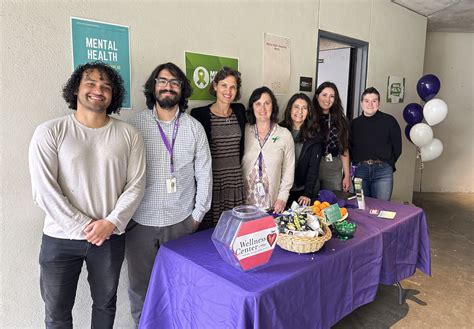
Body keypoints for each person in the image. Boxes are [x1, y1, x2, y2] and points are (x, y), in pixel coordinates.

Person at [28, 61, 146, 329]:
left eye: (106, 86)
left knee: (105, 305)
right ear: (76, 90)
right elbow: (44, 191)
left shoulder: (129, 134)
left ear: (113, 94)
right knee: (57, 313)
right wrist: (87, 227)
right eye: (90, 83)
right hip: (60, 239)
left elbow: (136, 185)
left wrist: (111, 223)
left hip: (110, 237)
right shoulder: (50, 132)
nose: (98, 90)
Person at [126, 62, 212, 325]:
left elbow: (205, 172)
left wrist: (197, 215)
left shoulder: (193, 128)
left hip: (180, 223)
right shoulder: (134, 126)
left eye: (174, 83)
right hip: (140, 223)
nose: (168, 86)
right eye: (162, 81)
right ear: (154, 87)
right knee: (141, 289)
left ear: (182, 90)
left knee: (181, 287)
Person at [191, 67, 246, 228]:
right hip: (212, 183)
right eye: (224, 85)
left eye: (233, 87)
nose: (228, 91)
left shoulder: (240, 111)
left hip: (235, 182)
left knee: (234, 231)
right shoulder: (199, 115)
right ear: (215, 86)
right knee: (210, 232)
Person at [242, 86, 295, 214]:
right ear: (252, 107)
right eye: (258, 104)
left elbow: (288, 170)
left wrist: (282, 197)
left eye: (267, 103)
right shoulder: (244, 131)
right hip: (244, 203)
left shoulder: (284, 134)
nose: (263, 109)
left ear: (273, 106)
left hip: (272, 205)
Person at [350, 87, 402, 200]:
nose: (370, 104)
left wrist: (388, 163)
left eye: (374, 101)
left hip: (383, 172)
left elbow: (397, 147)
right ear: (361, 103)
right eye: (366, 101)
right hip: (360, 172)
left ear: (379, 103)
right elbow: (349, 148)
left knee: (381, 207)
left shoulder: (389, 121)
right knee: (361, 207)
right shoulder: (354, 124)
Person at [280, 93, 322, 206]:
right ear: (290, 109)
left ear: (308, 112)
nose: (300, 111)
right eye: (296, 107)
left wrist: (307, 193)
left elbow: (313, 168)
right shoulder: (278, 130)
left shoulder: (314, 136)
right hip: (279, 190)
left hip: (301, 191)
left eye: (304, 108)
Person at [313, 81, 351, 193]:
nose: (327, 99)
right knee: (311, 203)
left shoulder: (340, 121)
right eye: (324, 95)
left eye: (332, 96)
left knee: (332, 204)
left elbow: (344, 149)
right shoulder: (309, 118)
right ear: (317, 96)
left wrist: (347, 175)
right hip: (313, 165)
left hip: (333, 166)